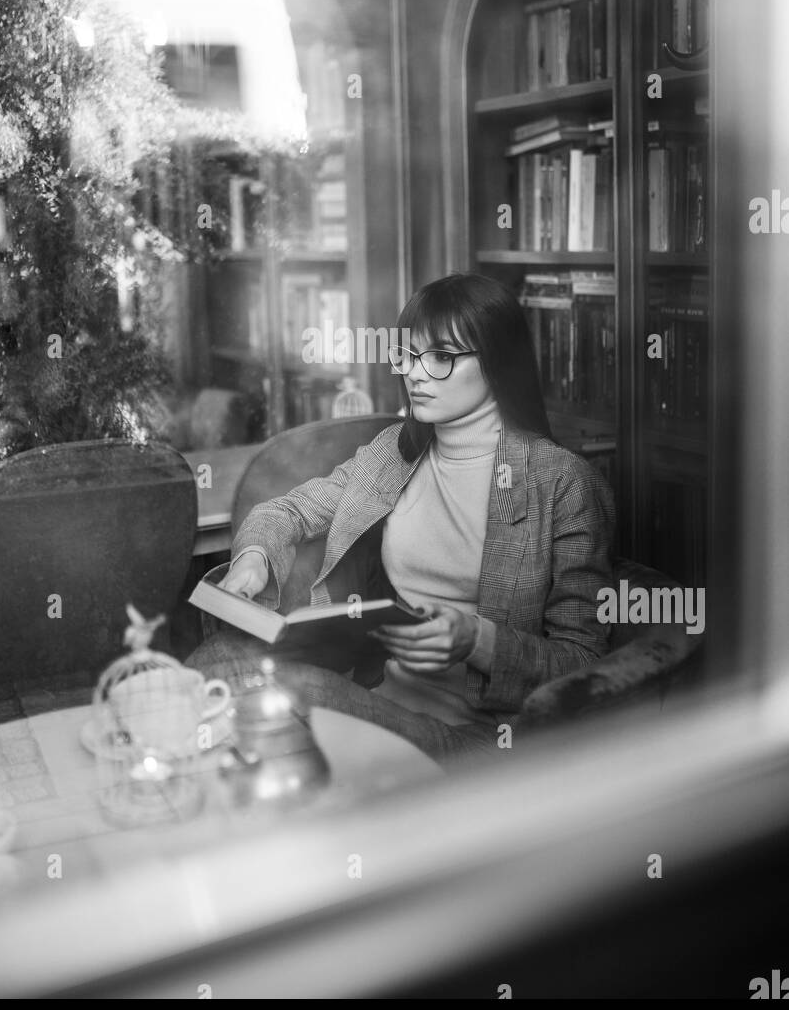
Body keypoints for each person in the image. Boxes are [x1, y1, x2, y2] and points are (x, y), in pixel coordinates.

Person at [188, 272, 615, 767]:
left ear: (498, 363)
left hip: (481, 738)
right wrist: (254, 558)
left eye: (439, 358)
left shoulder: (561, 482)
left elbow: (585, 664)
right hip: (380, 702)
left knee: (279, 686)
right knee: (228, 656)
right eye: (408, 355)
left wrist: (478, 640)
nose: (414, 374)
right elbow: (288, 511)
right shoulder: (396, 454)